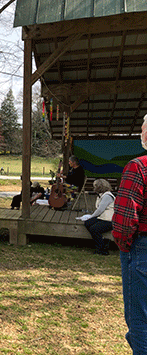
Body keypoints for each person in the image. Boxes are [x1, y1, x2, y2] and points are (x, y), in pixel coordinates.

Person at [112, 114, 147, 354]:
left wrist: (125, 246)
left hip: (142, 249)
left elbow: (124, 221)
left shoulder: (139, 166)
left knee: (141, 321)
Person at [82, 179, 115, 255]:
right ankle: (103, 242)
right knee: (88, 223)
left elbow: (100, 209)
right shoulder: (102, 195)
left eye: (95, 186)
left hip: (109, 219)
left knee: (94, 229)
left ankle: (101, 249)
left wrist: (91, 216)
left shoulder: (107, 196)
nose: (93, 188)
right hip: (103, 217)